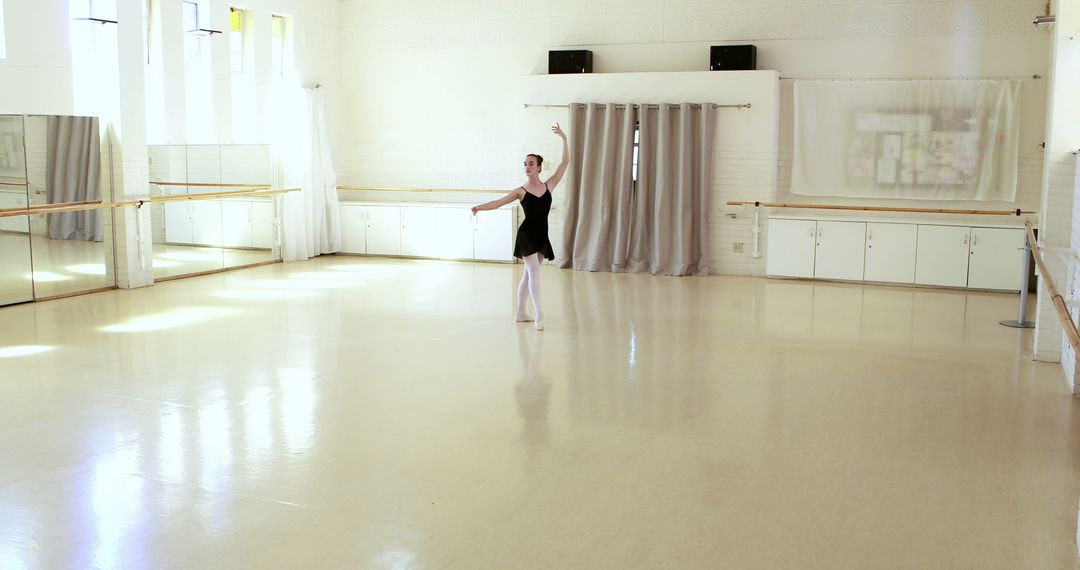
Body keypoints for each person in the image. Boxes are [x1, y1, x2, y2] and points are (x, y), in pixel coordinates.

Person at [472, 123, 569, 331]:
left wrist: (564, 139)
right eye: (525, 163)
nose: (527, 166)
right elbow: (498, 202)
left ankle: (520, 312)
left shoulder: (549, 185)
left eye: (531, 163)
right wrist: (480, 207)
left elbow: (565, 162)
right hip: (526, 235)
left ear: (539, 167)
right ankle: (539, 315)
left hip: (542, 235)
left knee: (528, 274)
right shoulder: (520, 191)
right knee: (534, 272)